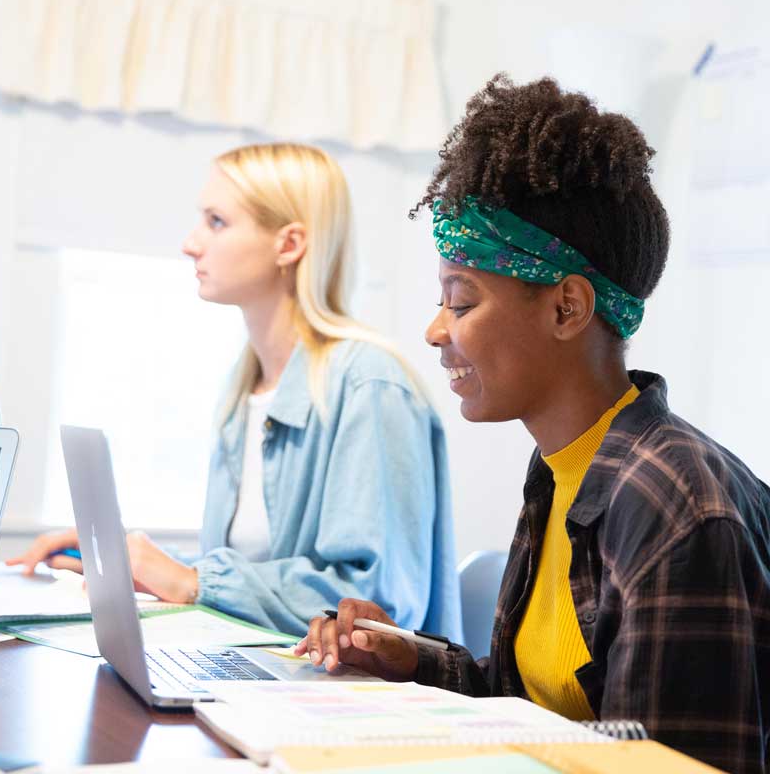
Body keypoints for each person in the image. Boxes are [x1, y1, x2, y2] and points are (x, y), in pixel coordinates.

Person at [296, 75, 770, 773]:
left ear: (566, 310)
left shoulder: (674, 506)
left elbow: (663, 766)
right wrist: (410, 657)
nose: (434, 331)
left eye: (460, 301)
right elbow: (541, 711)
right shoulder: (562, 466)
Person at [8, 142, 461, 640]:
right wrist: (125, 559)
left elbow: (379, 603)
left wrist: (194, 581)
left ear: (289, 244)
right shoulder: (241, 388)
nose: (190, 243)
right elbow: (251, 575)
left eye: (216, 222)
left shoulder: (370, 385)